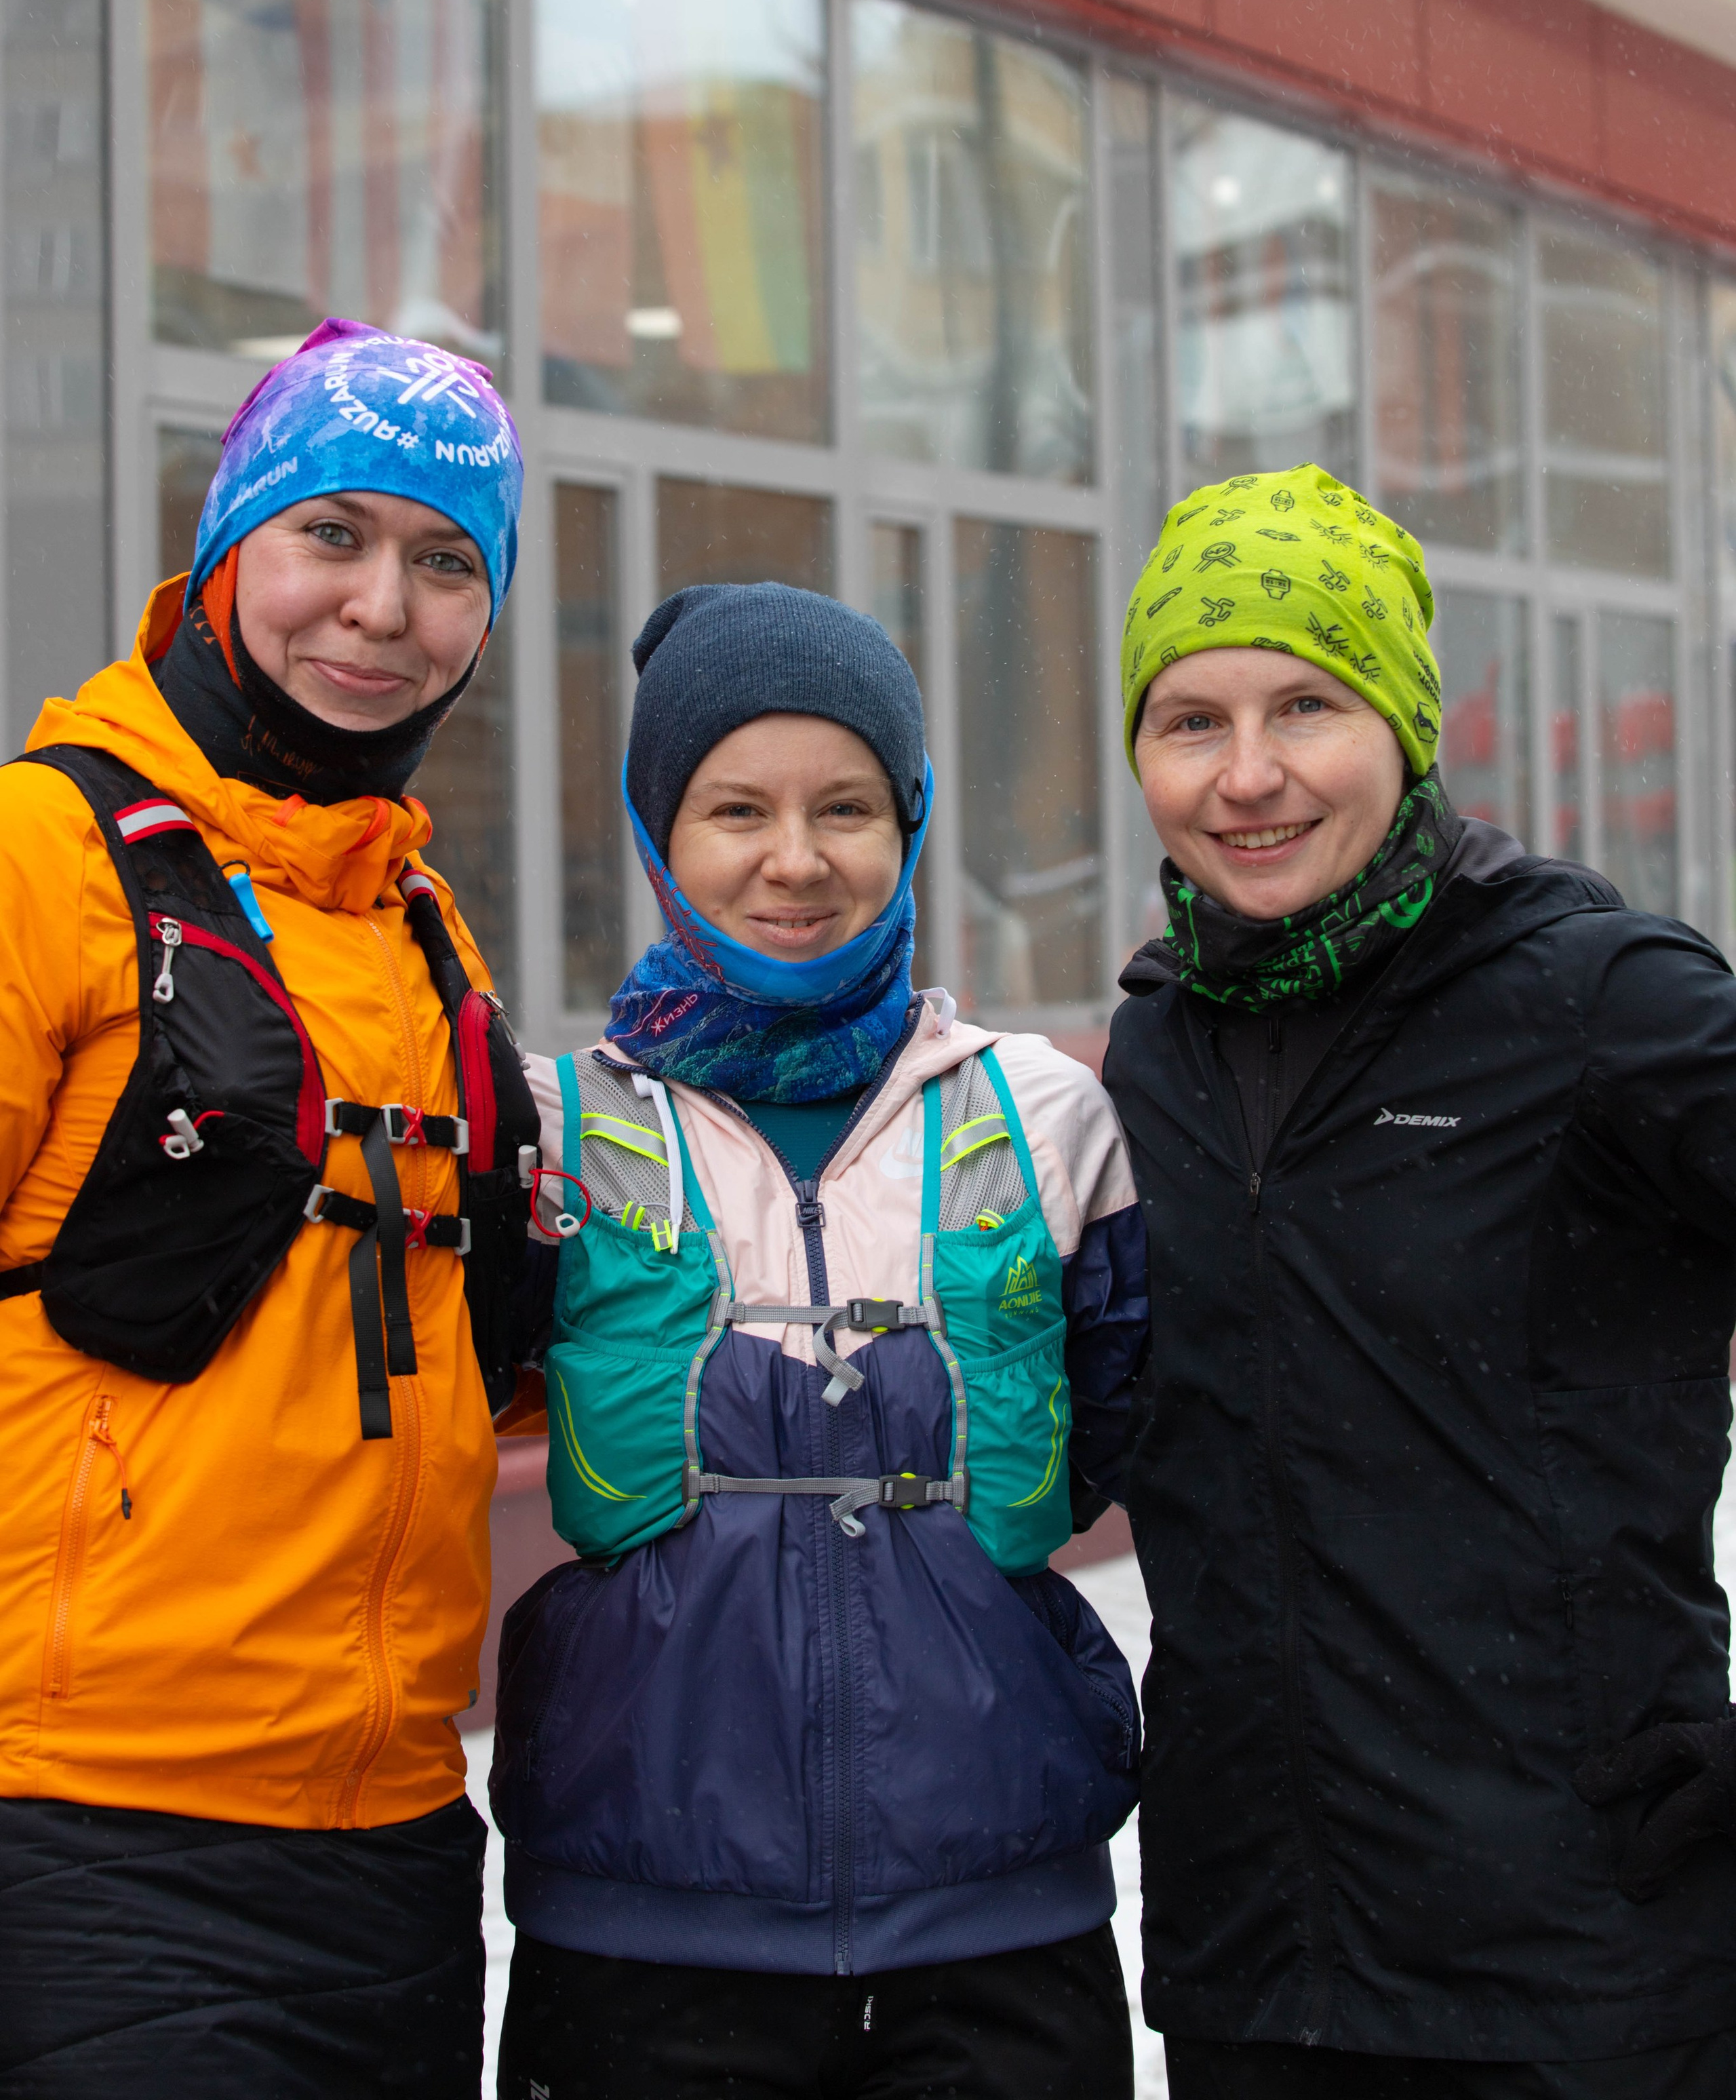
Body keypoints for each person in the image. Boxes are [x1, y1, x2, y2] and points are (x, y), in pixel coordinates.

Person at [1105, 461, 1736, 2100]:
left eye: (1304, 706)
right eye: (1188, 722)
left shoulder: (1597, 1000)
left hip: (1578, 1967)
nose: (1246, 777)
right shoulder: (1151, 1050)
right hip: (1254, 1968)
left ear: (1402, 721)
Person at [492, 579, 1150, 2100]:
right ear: (659, 832)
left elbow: (1123, 1429)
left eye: (845, 806)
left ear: (908, 823)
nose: (795, 861)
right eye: (736, 809)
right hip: (643, 1938)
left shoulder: (1042, 1116)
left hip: (996, 1935)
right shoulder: (556, 1129)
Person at [0, 319, 540, 2099]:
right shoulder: (46, 858)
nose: (383, 610)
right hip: (91, 1826)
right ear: (228, 549)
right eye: (336, 535)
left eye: (448, 562)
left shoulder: (422, 930)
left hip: (393, 1829)